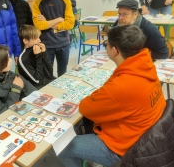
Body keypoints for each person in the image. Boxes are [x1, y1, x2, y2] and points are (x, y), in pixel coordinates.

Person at [58, 25, 166, 167]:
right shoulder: (146, 65)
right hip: (148, 136)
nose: (105, 47)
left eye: (106, 44)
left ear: (115, 51)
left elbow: (85, 108)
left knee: (64, 147)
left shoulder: (122, 85)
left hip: (128, 149)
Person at [32, 0, 75, 76]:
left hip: (64, 43)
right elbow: (39, 25)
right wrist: (59, 20)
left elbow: (70, 23)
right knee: (47, 74)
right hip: (47, 44)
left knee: (62, 73)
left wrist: (48, 23)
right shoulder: (37, 2)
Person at [18, 25, 56, 90]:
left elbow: (50, 73)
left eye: (39, 37)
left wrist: (44, 54)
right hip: (38, 90)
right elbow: (37, 81)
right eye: (36, 38)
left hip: (49, 83)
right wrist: (38, 57)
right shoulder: (23, 59)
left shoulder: (37, 49)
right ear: (25, 41)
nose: (40, 40)